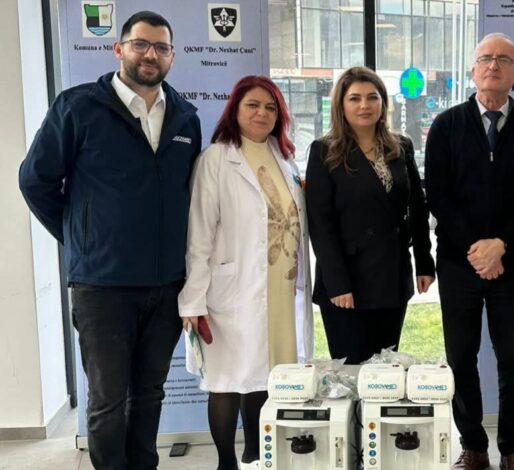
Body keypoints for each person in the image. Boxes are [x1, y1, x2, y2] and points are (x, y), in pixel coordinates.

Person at [18, 11, 201, 469]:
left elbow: (186, 194)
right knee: (107, 400)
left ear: (172, 56)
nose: (150, 54)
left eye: (161, 47)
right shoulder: (77, 107)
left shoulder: (185, 118)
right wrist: (81, 237)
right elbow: (35, 181)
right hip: (102, 287)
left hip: (166, 285)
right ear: (119, 49)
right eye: (141, 44)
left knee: (150, 393)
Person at [424, 33, 514, 470]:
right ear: (472, 70)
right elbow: (437, 194)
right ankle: (473, 446)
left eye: (503, 60)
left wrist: (501, 245)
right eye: (485, 59)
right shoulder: (446, 125)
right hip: (459, 264)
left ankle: (513, 447)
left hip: (511, 265)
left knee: (513, 358)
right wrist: (477, 250)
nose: (493, 66)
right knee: (461, 358)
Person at [178, 75, 313, 470]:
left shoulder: (284, 158)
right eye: (252, 105)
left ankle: (257, 456)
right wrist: (193, 300)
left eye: (270, 107)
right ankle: (227, 463)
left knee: (264, 377)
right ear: (234, 110)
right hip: (233, 292)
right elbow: (199, 235)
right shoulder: (216, 159)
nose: (262, 113)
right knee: (226, 381)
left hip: (281, 291)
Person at [306, 66, 435, 365]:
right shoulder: (324, 150)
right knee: (352, 373)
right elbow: (321, 224)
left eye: (372, 97)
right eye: (354, 98)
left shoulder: (401, 146)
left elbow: (417, 206)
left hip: (391, 278)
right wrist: (338, 283)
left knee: (385, 374)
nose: (364, 105)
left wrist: (424, 262)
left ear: (382, 103)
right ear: (341, 105)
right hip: (347, 283)